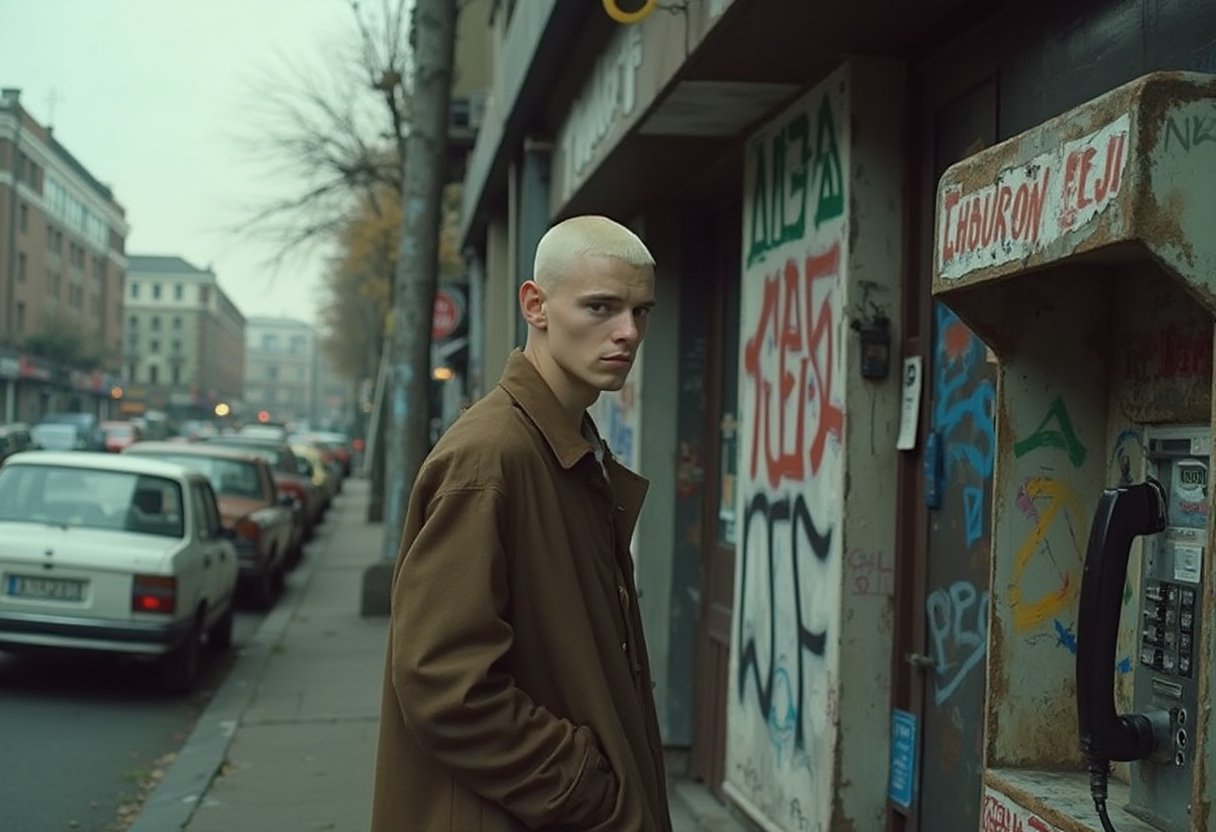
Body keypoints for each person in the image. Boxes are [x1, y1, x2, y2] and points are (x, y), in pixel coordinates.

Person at [371, 215, 672, 831]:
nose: (627, 333)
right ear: (535, 305)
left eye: (640, 312)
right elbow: (445, 684)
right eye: (601, 307)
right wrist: (591, 791)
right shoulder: (492, 458)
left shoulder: (563, 447)